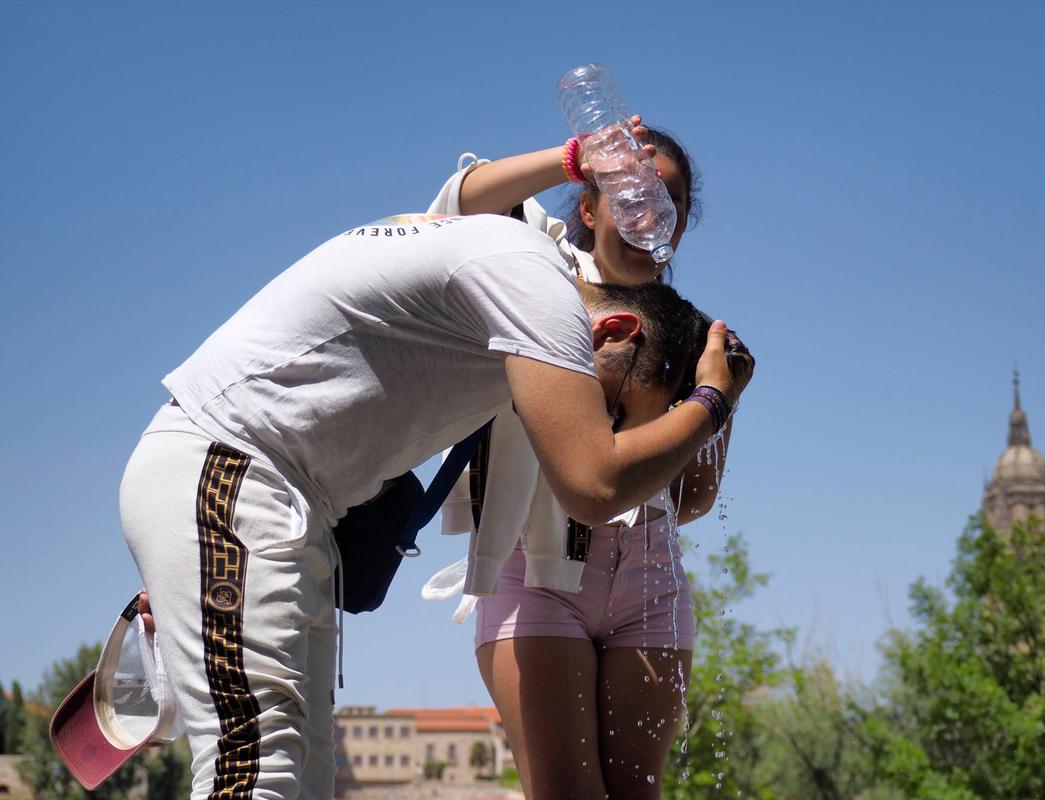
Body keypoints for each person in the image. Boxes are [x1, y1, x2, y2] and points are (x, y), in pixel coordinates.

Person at [119, 210, 752, 800]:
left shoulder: (504, 303)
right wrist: (712, 403)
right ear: (614, 330)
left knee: (303, 775)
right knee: (256, 767)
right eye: (615, 408)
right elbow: (593, 488)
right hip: (234, 475)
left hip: (272, 501)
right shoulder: (529, 279)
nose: (601, 425)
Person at [427, 122, 736, 798]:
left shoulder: (694, 330)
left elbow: (691, 500)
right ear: (589, 207)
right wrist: (574, 157)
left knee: (636, 792)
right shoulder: (534, 266)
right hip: (535, 568)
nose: (647, 213)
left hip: (652, 576)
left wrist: (719, 402)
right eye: (628, 192)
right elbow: (455, 207)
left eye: (667, 203)